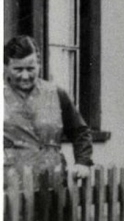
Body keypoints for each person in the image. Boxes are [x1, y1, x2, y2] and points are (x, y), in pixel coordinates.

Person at [4, 35, 92, 180]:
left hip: (53, 184)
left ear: (39, 65)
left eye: (30, 69)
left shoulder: (56, 93)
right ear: (5, 67)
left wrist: (82, 162)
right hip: (9, 187)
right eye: (18, 69)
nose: (25, 76)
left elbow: (80, 131)